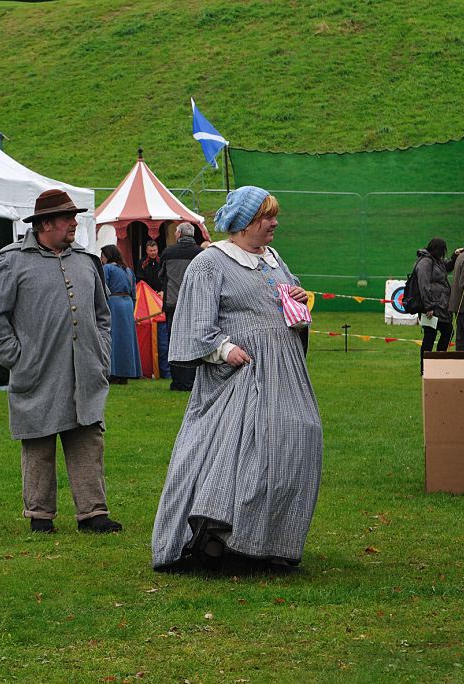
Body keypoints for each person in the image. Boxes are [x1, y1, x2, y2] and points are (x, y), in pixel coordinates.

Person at [151, 186, 323, 571]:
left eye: (274, 215)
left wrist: (298, 298)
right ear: (245, 222)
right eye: (267, 217)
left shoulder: (274, 259)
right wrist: (224, 349)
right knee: (247, 455)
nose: (275, 223)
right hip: (239, 376)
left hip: (285, 373)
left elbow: (288, 305)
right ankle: (218, 539)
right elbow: (193, 325)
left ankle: (269, 540)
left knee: (298, 441)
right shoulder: (210, 263)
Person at [0, 188, 122, 535]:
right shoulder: (10, 261)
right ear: (46, 223)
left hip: (85, 368)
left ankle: (93, 513)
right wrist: (17, 358)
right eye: (67, 218)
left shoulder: (86, 261)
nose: (74, 223)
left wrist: (101, 353)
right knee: (37, 439)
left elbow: (102, 315)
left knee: (88, 437)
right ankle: (40, 515)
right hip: (36, 370)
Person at [159, 222, 203, 391]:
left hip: (173, 304)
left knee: (175, 343)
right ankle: (192, 381)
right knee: (194, 342)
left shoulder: (168, 253)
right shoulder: (201, 253)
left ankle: (178, 381)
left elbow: (161, 276)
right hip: (195, 306)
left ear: (178, 235)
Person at [101, 245, 142, 384]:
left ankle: (113, 372)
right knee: (126, 339)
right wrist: (131, 307)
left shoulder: (108, 268)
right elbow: (133, 292)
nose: (101, 259)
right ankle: (126, 372)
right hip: (127, 304)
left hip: (114, 303)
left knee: (113, 337)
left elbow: (103, 288)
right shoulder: (128, 270)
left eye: (103, 256)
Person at [413, 237, 453, 373]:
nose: (443, 254)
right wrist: (428, 307)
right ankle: (426, 367)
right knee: (431, 336)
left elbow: (445, 268)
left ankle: (435, 364)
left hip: (439, 306)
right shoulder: (425, 262)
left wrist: (454, 257)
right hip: (430, 308)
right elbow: (423, 285)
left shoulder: (435, 261)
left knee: (446, 332)